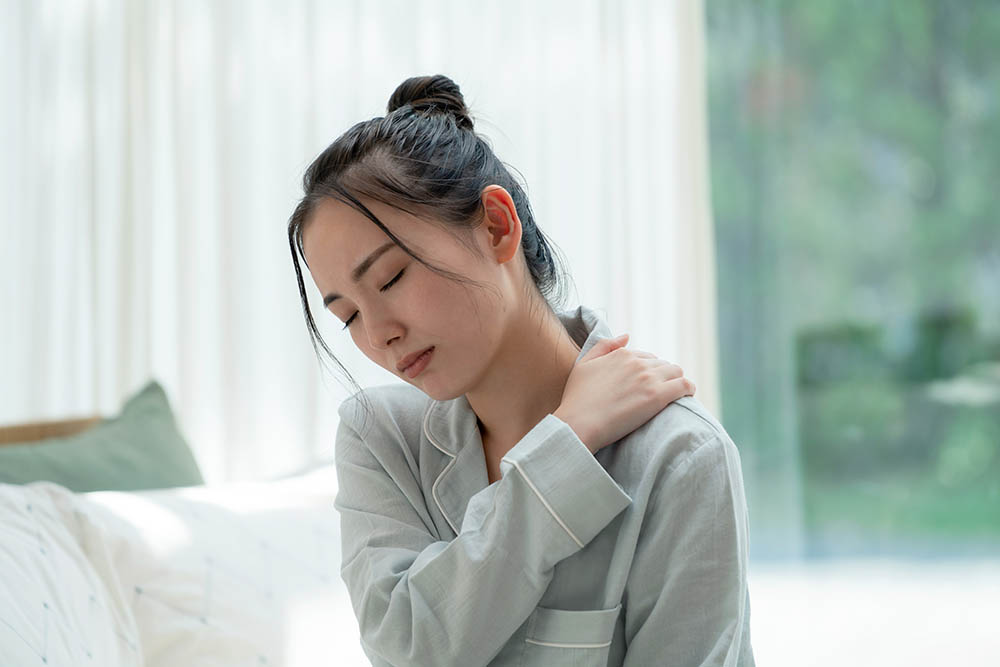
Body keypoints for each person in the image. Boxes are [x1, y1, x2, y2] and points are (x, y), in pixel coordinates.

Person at [287, 74, 754, 666]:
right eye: (348, 315)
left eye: (391, 279)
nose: (379, 334)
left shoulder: (680, 456)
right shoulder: (381, 439)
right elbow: (408, 649)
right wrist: (564, 448)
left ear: (496, 226)